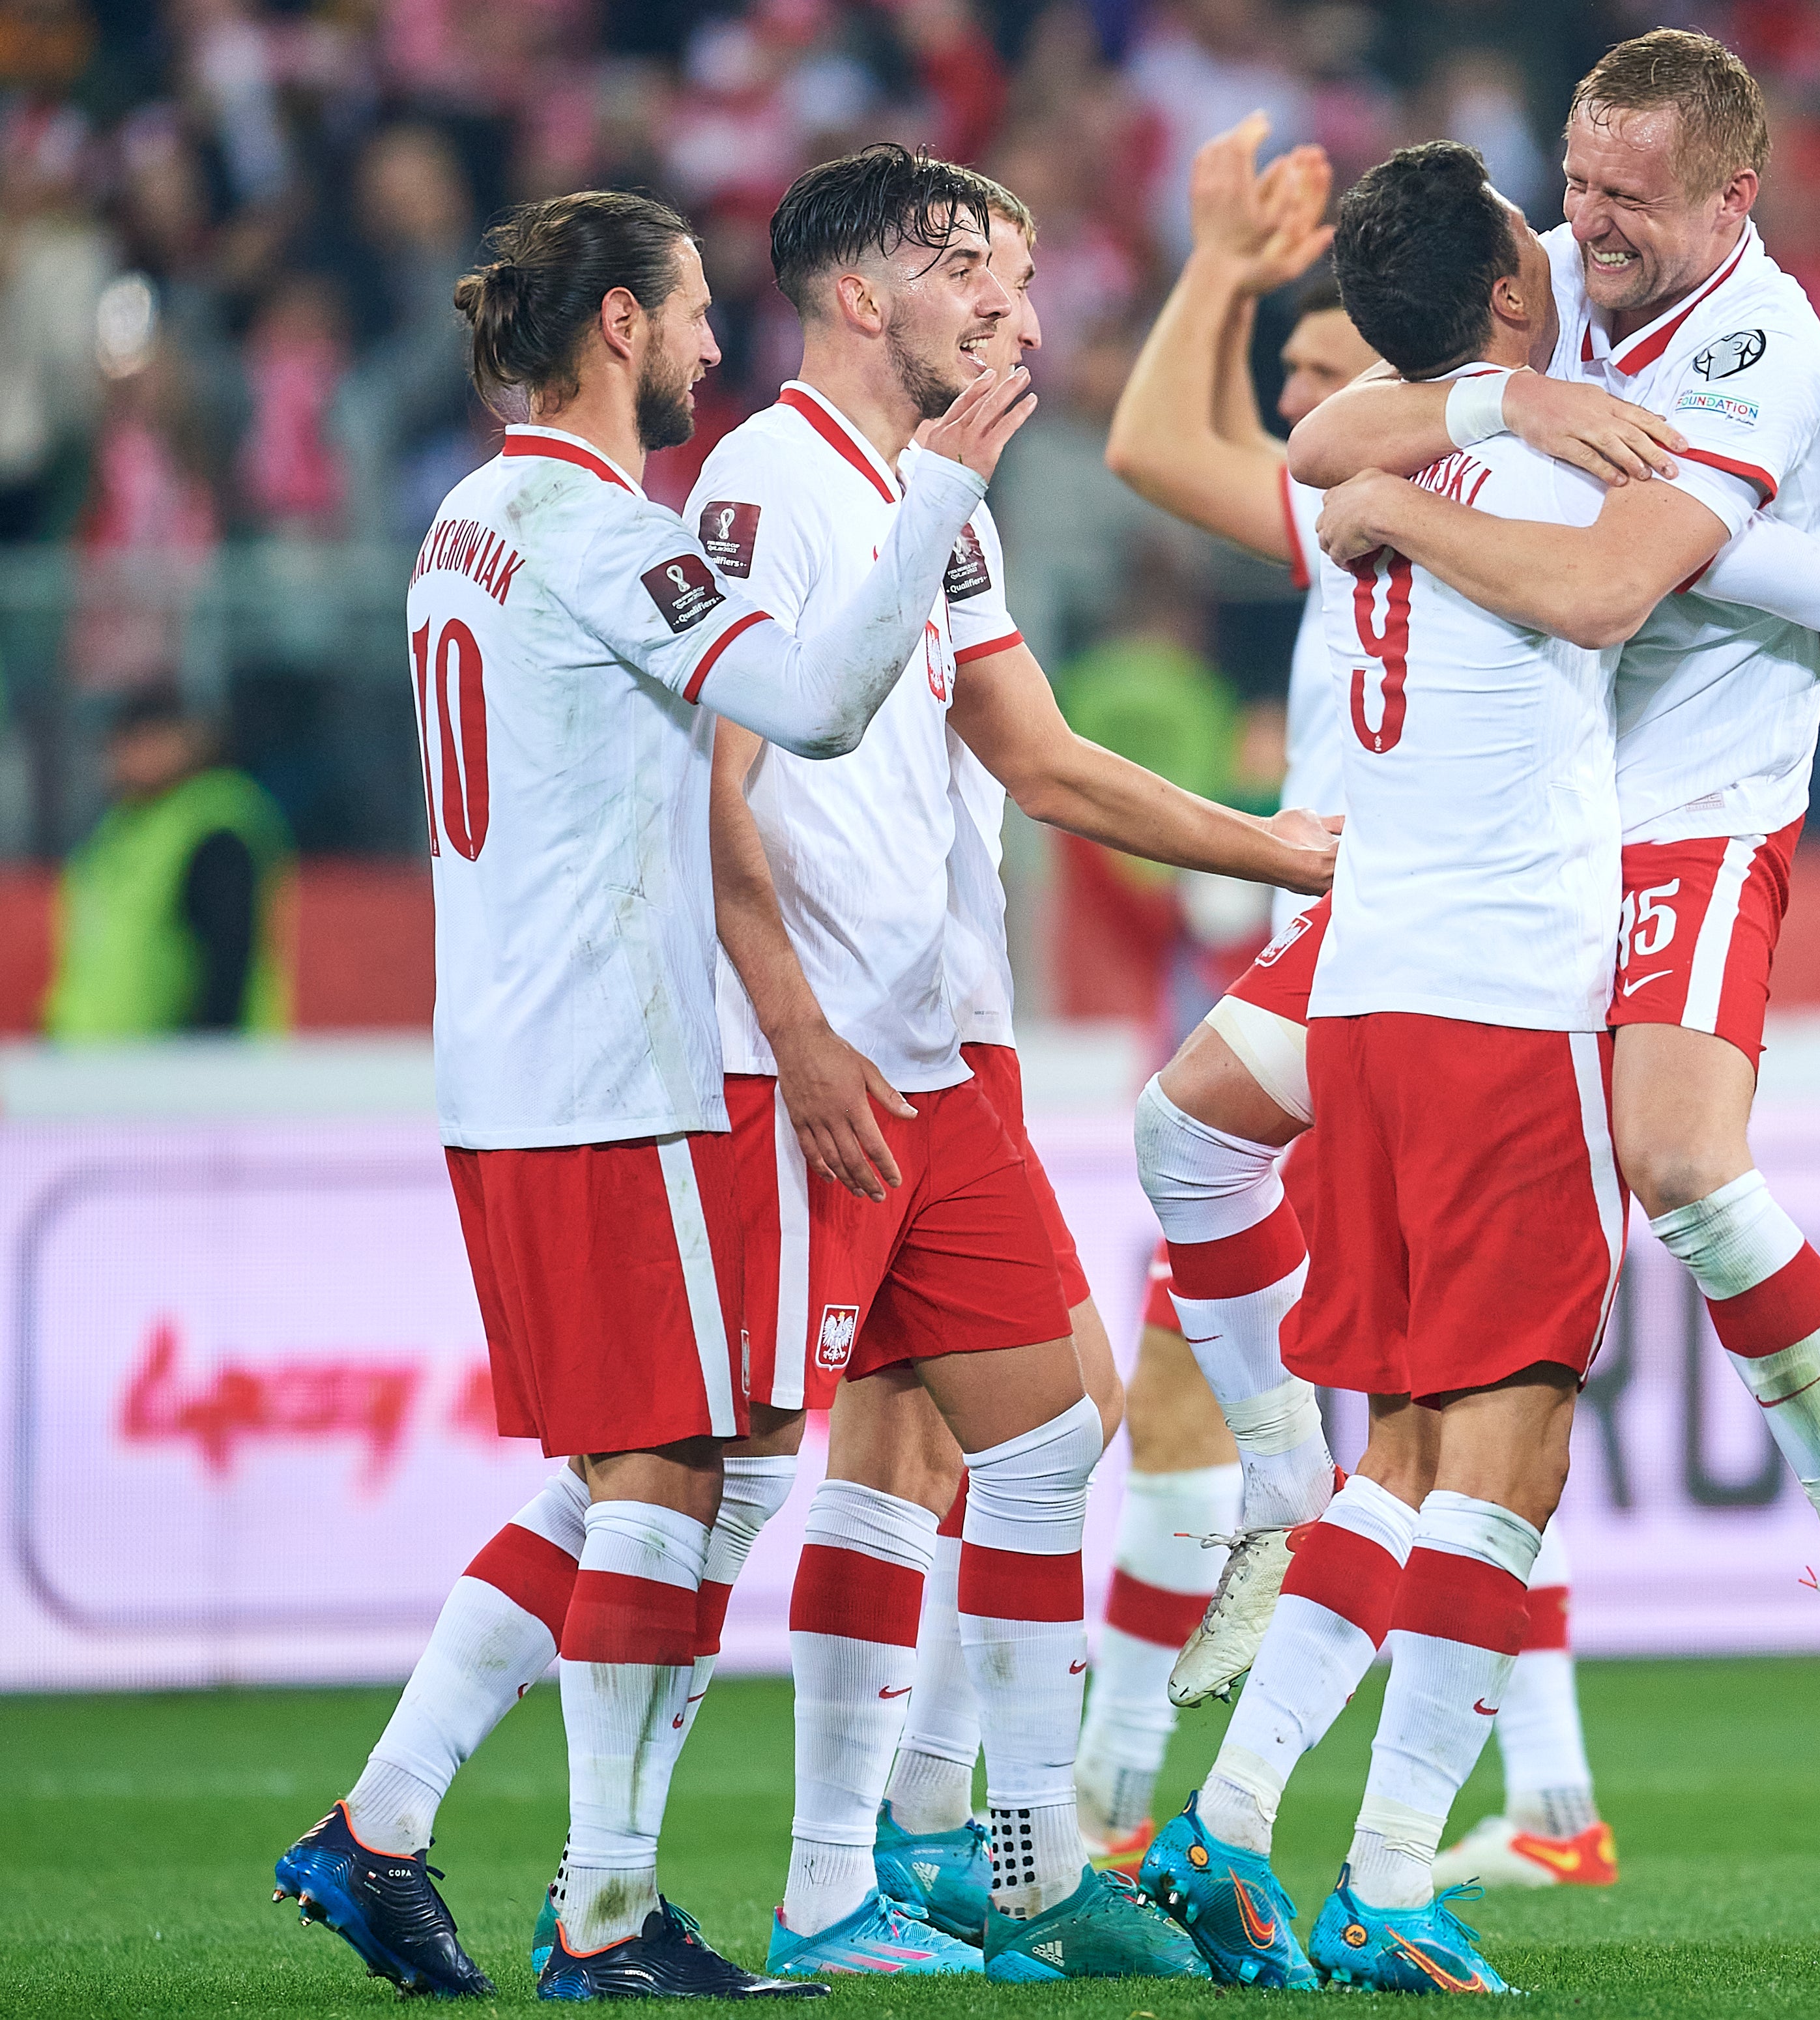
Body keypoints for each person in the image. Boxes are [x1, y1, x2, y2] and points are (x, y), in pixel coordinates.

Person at [274, 182, 1032, 2000]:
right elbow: (819, 703)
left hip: (510, 1065)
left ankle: (382, 1826)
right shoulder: (610, 532)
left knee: (646, 1459)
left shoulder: (463, 520)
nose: (711, 342)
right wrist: (943, 491)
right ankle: (600, 1914)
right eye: (689, 310)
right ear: (618, 323)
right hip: (623, 1070)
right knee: (679, 1469)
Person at [687, 145, 1332, 1984]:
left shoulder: (941, 499)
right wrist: (799, 1032)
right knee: (707, 1484)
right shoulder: (762, 484)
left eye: (1025, 279)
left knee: (1030, 1432)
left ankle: (987, 1854)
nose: (1014, 309)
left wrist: (1280, 845)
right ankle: (699, 1878)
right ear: (855, 292)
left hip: (936, 1044)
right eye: (972, 269)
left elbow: (1038, 760)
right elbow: (710, 782)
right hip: (812, 1061)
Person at [1283, 24, 1820, 1786]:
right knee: (1461, 1326)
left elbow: (1595, 590)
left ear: (1737, 193)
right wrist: (1509, 400)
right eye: (1574, 185)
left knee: (1679, 1160)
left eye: (1630, 198)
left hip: (1694, 803)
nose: (1589, 226)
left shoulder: (1758, 349)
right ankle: (1455, 1751)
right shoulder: (1548, 286)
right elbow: (1329, 427)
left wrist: (1403, 506)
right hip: (1521, 831)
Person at [1097, 113, 1643, 1891]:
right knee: (1504, 1434)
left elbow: (1305, 442)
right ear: (1503, 295)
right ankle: (1413, 1857)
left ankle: (1238, 1808)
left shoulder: (1350, 490)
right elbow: (1657, 577)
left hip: (1375, 973)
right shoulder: (1548, 473)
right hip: (1473, 970)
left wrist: (1429, 422)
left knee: (1416, 1439)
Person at [44, 690, 289, 1039]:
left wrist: (202, 1066)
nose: (125, 756)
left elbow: (227, 964)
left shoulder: (212, 829)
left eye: (143, 740)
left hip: (169, 1076)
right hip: (96, 1070)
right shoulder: (118, 830)